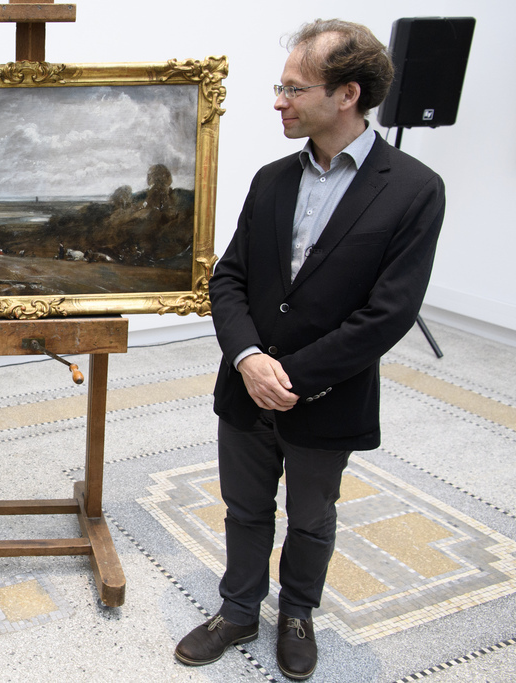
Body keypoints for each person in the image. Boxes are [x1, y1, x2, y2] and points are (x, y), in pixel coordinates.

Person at [174, 19, 445, 681]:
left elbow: (389, 314)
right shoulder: (270, 179)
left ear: (346, 93)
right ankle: (237, 609)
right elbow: (229, 276)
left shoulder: (414, 190)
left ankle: (297, 614)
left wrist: (290, 373)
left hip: (329, 394)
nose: (278, 101)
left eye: (293, 88)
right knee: (244, 506)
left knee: (313, 514)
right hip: (245, 385)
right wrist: (248, 359)